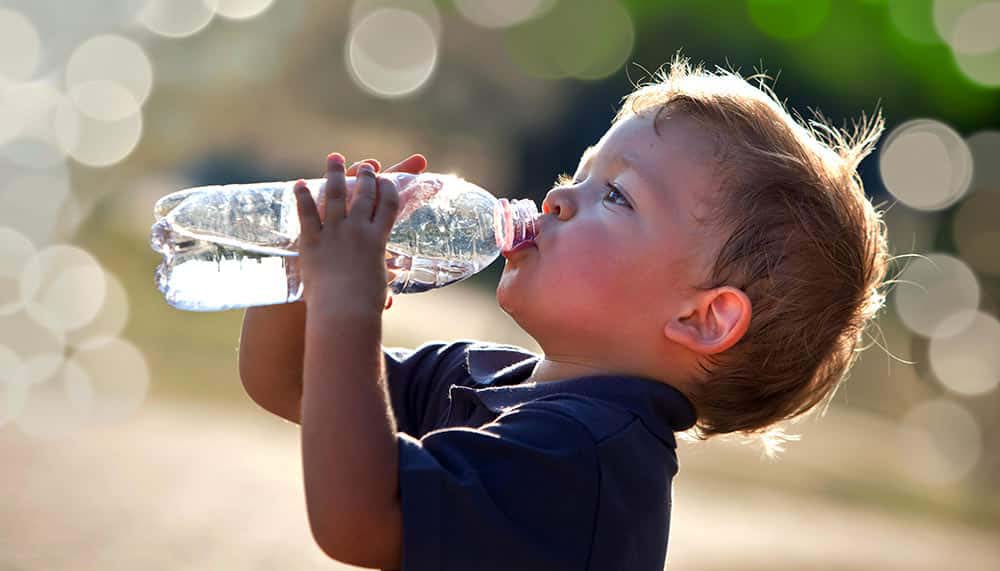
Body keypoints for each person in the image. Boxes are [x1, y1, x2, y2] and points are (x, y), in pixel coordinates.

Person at [237, 54, 890, 570]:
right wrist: (307, 274)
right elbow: (289, 377)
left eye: (614, 194)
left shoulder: (586, 460)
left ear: (702, 318)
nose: (556, 197)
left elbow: (357, 519)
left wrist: (349, 307)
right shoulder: (484, 376)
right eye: (577, 172)